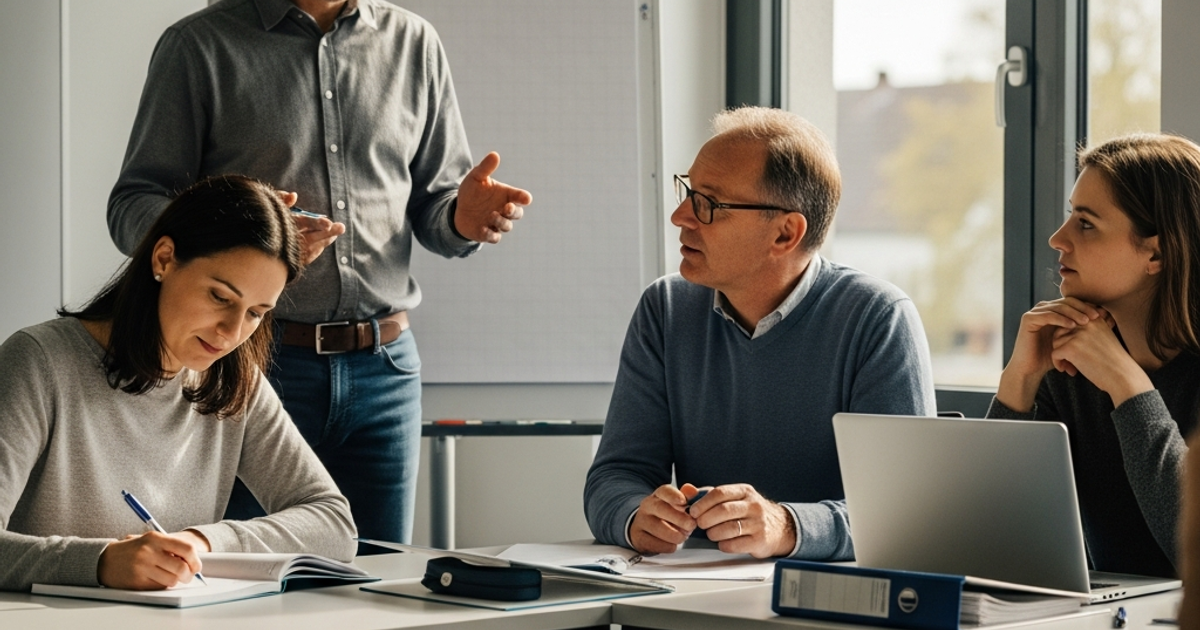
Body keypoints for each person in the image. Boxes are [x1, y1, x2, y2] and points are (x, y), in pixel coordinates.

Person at [107, 0, 532, 546]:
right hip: (255, 362)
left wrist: (461, 219)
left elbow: (436, 207)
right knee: (237, 578)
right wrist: (240, 232)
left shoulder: (414, 42)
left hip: (386, 369)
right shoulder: (200, 44)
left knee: (376, 584)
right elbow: (133, 203)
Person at [583, 107, 936, 561]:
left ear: (786, 234)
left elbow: (906, 515)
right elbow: (615, 476)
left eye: (707, 203)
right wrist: (635, 516)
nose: (680, 216)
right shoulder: (665, 309)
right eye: (687, 191)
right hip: (692, 595)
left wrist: (786, 526)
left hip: (828, 606)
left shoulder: (878, 318)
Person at [0, 175, 356, 592]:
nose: (230, 332)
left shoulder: (237, 379)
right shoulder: (37, 360)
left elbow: (334, 522)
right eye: (220, 297)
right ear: (164, 259)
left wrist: (201, 542)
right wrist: (98, 563)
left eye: (256, 312)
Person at [987, 133, 1200, 579]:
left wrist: (1129, 387)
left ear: (1156, 253)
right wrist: (1020, 380)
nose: (1057, 239)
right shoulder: (1068, 364)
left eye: (1085, 223)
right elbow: (983, 532)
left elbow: (1193, 552)